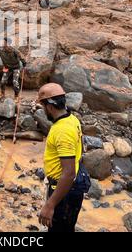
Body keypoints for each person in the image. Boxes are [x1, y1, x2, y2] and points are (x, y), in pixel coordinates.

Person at [37, 83, 89, 232]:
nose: (43, 110)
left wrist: (50, 205)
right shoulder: (71, 119)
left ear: (50, 107)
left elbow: (69, 173)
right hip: (69, 189)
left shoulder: (62, 130)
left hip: (64, 192)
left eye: (43, 107)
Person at [0, 38, 26, 102]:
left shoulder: (14, 51)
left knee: (15, 82)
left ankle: (16, 96)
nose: (3, 44)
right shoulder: (1, 51)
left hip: (16, 68)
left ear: (8, 44)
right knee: (3, 81)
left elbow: (21, 57)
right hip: (7, 68)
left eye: (4, 42)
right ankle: (2, 94)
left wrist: (24, 63)